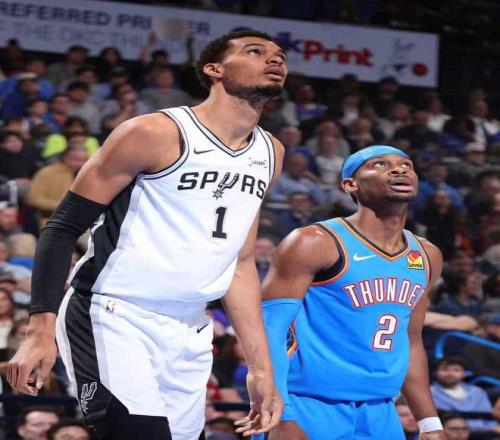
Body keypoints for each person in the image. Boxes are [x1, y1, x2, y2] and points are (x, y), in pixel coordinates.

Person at [8, 30, 287, 440]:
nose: (275, 60)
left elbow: (240, 262)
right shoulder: (155, 132)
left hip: (190, 327)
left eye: (279, 55)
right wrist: (39, 329)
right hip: (114, 313)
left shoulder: (270, 152)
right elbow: (62, 227)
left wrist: (261, 368)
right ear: (214, 69)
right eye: (255, 51)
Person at [257, 145, 446, 439]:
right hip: (308, 405)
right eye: (380, 164)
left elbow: (411, 342)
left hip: (381, 411)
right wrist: (281, 414)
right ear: (350, 185)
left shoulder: (426, 255)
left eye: (406, 165)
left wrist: (430, 425)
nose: (399, 169)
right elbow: (268, 330)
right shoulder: (314, 242)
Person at [430, 357, 497, 431]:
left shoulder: (477, 392)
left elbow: (489, 418)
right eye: (445, 370)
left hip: (482, 432)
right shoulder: (429, 393)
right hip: (446, 433)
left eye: (456, 370)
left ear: (464, 373)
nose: (450, 374)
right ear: (435, 372)